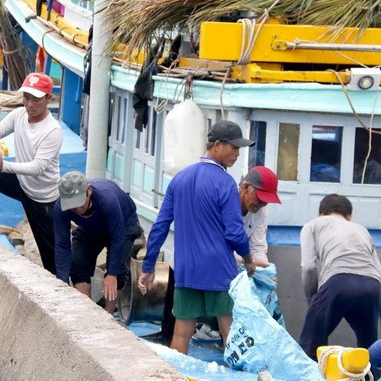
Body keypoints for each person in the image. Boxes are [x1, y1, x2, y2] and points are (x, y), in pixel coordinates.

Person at [139, 120, 256, 354]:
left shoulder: (179, 179)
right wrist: (249, 259)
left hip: (186, 269)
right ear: (218, 145)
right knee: (230, 333)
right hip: (219, 269)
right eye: (234, 147)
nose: (237, 154)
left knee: (181, 333)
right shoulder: (225, 183)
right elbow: (234, 232)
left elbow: (160, 225)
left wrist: (149, 265)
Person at [160, 164, 282, 342]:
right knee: (180, 325)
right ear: (246, 187)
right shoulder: (225, 196)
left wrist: (265, 271)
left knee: (226, 329)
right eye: (260, 197)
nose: (262, 203)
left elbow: (258, 246)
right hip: (198, 261)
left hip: (227, 267)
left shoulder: (261, 212)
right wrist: (247, 260)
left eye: (266, 200)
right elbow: (228, 235)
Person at [0, 72, 62, 274]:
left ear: (48, 99)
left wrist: (5, 166)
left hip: (43, 200)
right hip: (21, 184)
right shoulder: (18, 115)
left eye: (36, 99)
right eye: (26, 97)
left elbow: (38, 167)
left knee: (52, 261)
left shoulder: (52, 130)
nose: (29, 104)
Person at [299, 193, 381, 359]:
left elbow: (308, 268)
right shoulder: (362, 230)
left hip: (338, 282)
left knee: (310, 346)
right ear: (349, 216)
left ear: (320, 213)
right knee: (368, 354)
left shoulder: (313, 225)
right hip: (372, 286)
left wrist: (311, 302)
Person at [54, 171, 143, 315]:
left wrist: (112, 274)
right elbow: (62, 245)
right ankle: (87, 314)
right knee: (77, 265)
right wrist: (62, 284)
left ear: (88, 191)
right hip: (89, 226)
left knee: (118, 269)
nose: (76, 210)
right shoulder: (60, 207)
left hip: (123, 225)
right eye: (71, 205)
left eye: (78, 203)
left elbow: (117, 239)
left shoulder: (107, 200)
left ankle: (107, 315)